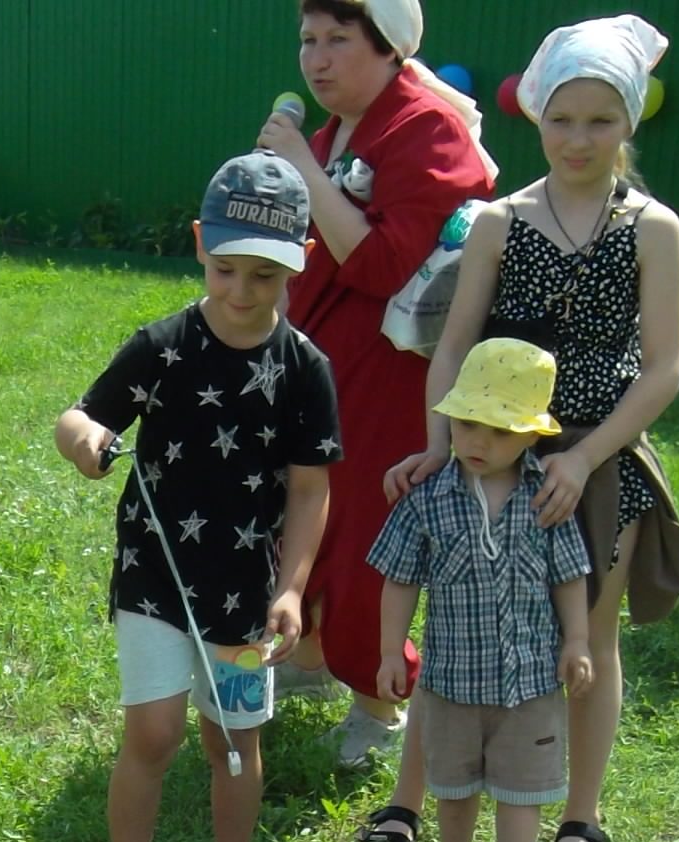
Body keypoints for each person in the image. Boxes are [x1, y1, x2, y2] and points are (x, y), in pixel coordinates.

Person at [372, 14, 679, 842]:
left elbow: (664, 367)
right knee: (457, 626)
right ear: (537, 117)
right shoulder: (500, 222)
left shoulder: (654, 227)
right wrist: (442, 444)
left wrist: (588, 460)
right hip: (493, 448)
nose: (578, 138)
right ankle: (411, 798)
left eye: (599, 120)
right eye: (562, 118)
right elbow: (452, 343)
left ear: (628, 122)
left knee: (586, 636)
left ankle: (580, 815)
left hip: (598, 458)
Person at [54, 153, 339, 842]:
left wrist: (291, 588)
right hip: (154, 574)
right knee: (153, 733)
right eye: (226, 270)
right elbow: (79, 417)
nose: (242, 293)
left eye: (265, 277)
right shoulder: (164, 345)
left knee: (234, 740)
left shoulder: (305, 369)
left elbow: (312, 491)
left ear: (300, 265)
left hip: (246, 590)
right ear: (198, 247)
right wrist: (87, 439)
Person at [258, 0, 493, 770]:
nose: (316, 59)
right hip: (319, 358)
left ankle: (379, 698)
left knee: (363, 523)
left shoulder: (426, 127)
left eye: (337, 40)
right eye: (307, 40)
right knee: (305, 501)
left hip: (390, 371)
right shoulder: (331, 133)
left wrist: (303, 169)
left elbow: (386, 263)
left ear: (388, 47)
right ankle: (313, 652)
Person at [368, 340, 593, 842]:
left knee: (522, 788)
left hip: (531, 680)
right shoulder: (429, 496)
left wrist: (577, 642)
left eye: (496, 431)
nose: (476, 441)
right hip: (450, 678)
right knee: (455, 781)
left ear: (531, 436)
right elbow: (399, 578)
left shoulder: (547, 495)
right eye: (466, 423)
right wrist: (393, 650)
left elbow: (570, 574)